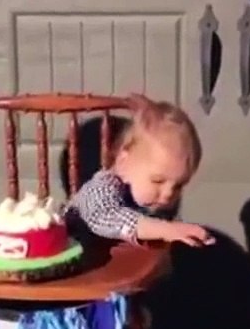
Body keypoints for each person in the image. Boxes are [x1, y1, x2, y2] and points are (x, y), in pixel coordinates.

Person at [66, 99, 215, 247]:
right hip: (77, 259)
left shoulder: (153, 201)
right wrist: (165, 230)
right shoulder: (102, 188)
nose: (168, 193)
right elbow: (104, 216)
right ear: (123, 163)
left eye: (178, 185)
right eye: (158, 181)